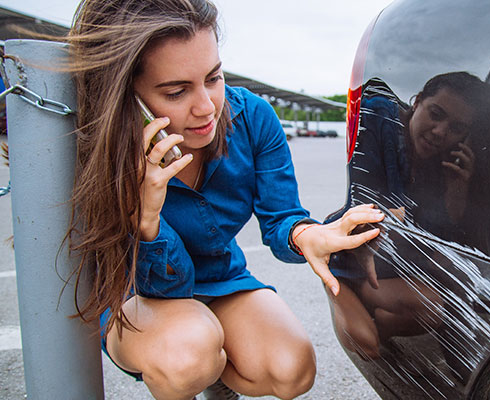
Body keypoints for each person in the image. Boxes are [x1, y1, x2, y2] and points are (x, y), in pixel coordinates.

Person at [62, 1, 384, 399]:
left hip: (220, 279)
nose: (206, 108)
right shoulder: (101, 149)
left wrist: (305, 235)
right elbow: (162, 285)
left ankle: (217, 378)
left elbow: (281, 215)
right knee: (189, 353)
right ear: (130, 98)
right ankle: (193, 375)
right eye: (176, 91)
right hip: (140, 292)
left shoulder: (253, 117)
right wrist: (147, 220)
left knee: (291, 369)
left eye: (213, 78)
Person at [327, 72, 490, 361]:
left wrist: (457, 192)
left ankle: (374, 306)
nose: (439, 132)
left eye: (456, 128)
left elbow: (445, 241)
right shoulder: (379, 122)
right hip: (354, 255)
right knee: (366, 344)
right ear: (418, 101)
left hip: (392, 264)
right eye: (436, 114)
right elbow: (366, 201)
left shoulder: (441, 164)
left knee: (434, 307)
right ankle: (335, 282)